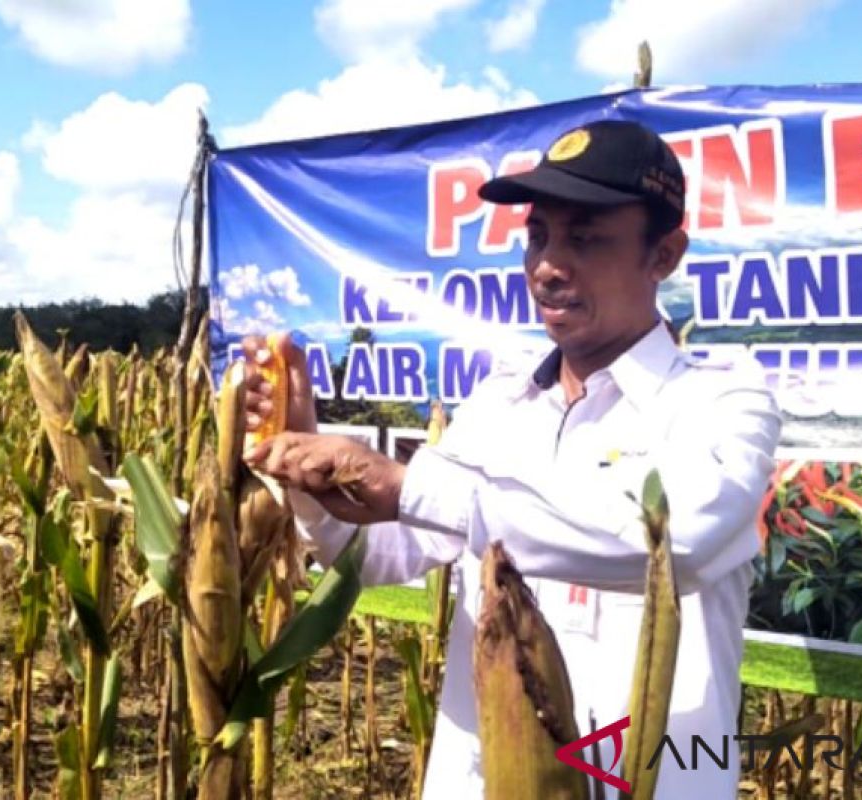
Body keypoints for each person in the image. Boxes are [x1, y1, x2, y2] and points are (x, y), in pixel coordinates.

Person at [240, 119, 782, 799]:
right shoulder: (501, 401)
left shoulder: (721, 399)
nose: (549, 266)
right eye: (538, 237)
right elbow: (382, 555)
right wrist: (309, 480)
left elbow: (678, 546)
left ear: (664, 255)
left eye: (584, 238)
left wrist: (414, 487)